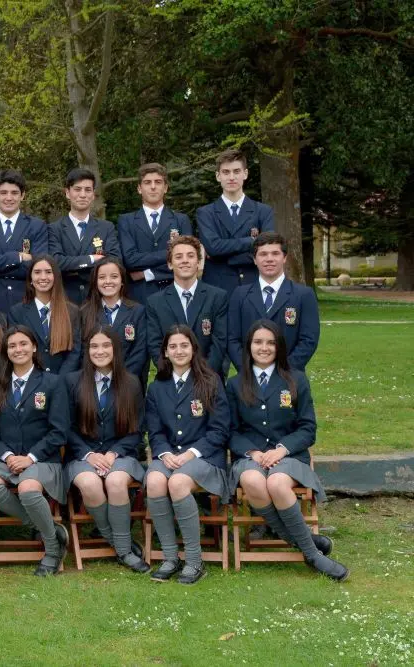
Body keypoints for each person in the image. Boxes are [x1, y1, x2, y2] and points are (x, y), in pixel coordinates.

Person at [227, 320, 348, 581]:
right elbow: (230, 432)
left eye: (270, 342)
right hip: (251, 457)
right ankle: (309, 544)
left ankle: (312, 556)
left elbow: (308, 428)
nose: (264, 347)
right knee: (252, 480)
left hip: (289, 456)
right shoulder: (235, 384)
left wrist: (282, 450)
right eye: (258, 342)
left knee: (278, 484)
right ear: (249, 347)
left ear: (279, 347)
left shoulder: (296, 380)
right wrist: (253, 453)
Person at [0, 326, 70, 576]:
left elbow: (59, 432)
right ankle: (50, 529)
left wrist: (30, 458)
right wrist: (8, 456)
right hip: (5, 457)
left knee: (28, 488)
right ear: (6, 352)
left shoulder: (52, 383)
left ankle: (52, 550)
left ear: (34, 348)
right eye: (12, 346)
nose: (18, 349)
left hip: (42, 459)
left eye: (22, 344)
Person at [144, 325, 229, 584]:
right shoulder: (157, 387)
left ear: (193, 349)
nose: (179, 351)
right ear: (165, 353)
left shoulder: (211, 381)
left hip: (204, 458)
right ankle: (170, 557)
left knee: (178, 482)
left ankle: (194, 560)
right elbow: (155, 431)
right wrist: (163, 453)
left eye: (184, 345)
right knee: (155, 481)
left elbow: (220, 430)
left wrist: (191, 454)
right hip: (170, 456)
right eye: (173, 346)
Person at [64, 326, 148, 573]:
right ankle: (123, 547)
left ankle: (121, 548)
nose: (100, 351)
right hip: (82, 454)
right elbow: (65, 428)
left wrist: (113, 454)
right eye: (94, 346)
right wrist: (89, 454)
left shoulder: (131, 383)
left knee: (116, 482)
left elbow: (137, 429)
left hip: (120, 454)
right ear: (87, 351)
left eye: (106, 346)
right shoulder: (72, 381)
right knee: (89, 484)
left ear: (116, 349)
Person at [228, 232, 320, 372]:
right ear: (254, 259)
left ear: (284, 258)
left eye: (275, 253)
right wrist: (249, 370)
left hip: (289, 377)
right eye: (263, 254)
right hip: (249, 378)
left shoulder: (304, 295)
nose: (269, 259)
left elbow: (308, 340)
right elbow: (232, 339)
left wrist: (282, 370)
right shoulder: (240, 295)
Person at [146, 235, 228, 377]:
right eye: (178, 257)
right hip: (171, 380)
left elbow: (219, 342)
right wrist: (176, 376)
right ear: (170, 264)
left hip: (209, 378)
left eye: (190, 256)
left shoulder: (217, 297)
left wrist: (203, 375)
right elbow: (155, 345)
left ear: (198, 261)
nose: (185, 261)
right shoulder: (155, 302)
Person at [196, 149, 275, 295]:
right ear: (218, 176)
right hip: (217, 288)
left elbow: (266, 250)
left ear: (245, 174)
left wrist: (222, 256)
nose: (231, 177)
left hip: (253, 286)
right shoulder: (205, 213)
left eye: (236, 171)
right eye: (226, 172)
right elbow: (213, 247)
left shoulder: (263, 211)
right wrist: (252, 241)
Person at [0, 169, 48, 314]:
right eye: (3, 192)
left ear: (22, 195)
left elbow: (38, 267)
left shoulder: (37, 226)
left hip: (27, 301)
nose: (9, 198)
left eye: (14, 193)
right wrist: (19, 257)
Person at [117, 163, 193, 305]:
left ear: (165, 187)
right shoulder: (126, 221)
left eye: (158, 182)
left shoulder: (181, 220)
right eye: (147, 182)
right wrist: (170, 254)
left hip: (175, 293)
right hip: (139, 297)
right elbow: (130, 260)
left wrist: (147, 274)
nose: (153, 187)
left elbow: (186, 261)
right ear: (139, 188)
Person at [48, 168, 121, 303]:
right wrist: (91, 259)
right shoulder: (54, 229)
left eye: (88, 190)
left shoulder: (106, 228)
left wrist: (71, 264)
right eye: (77, 189)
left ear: (93, 194)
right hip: (65, 300)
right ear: (67, 193)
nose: (83, 195)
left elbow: (115, 261)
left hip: (97, 299)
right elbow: (56, 262)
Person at [8, 255, 82, 375]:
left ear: (55, 277)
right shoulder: (17, 312)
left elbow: (75, 351)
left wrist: (59, 380)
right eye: (37, 272)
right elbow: (17, 351)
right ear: (30, 278)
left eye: (48, 272)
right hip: (31, 383)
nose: (43, 277)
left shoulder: (72, 311)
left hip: (62, 382)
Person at [79, 257, 148, 383]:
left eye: (114, 276)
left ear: (122, 281)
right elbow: (82, 351)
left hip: (127, 384)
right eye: (102, 277)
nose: (108, 281)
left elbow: (140, 352)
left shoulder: (137, 311)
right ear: (95, 282)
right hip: (93, 383)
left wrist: (121, 379)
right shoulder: (84, 312)